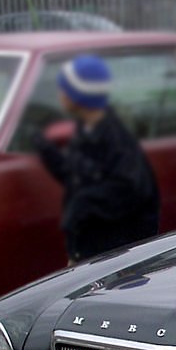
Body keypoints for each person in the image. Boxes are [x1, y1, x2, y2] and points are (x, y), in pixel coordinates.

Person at [35, 54, 160, 264]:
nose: (59, 94)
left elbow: (128, 189)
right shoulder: (85, 130)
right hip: (88, 248)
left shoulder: (116, 140)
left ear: (79, 96)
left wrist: (82, 203)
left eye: (64, 89)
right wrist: (46, 150)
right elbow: (73, 175)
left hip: (113, 258)